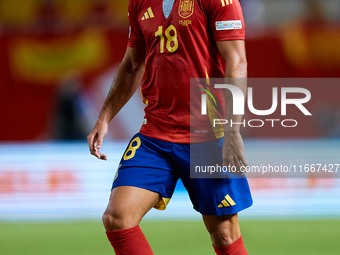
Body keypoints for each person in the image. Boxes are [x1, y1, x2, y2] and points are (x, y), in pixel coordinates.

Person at [87, 0, 253, 254]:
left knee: (223, 233)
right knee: (116, 217)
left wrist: (232, 130)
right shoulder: (139, 3)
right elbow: (133, 64)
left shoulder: (217, 2)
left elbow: (237, 60)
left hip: (208, 135)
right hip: (155, 134)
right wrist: (104, 116)